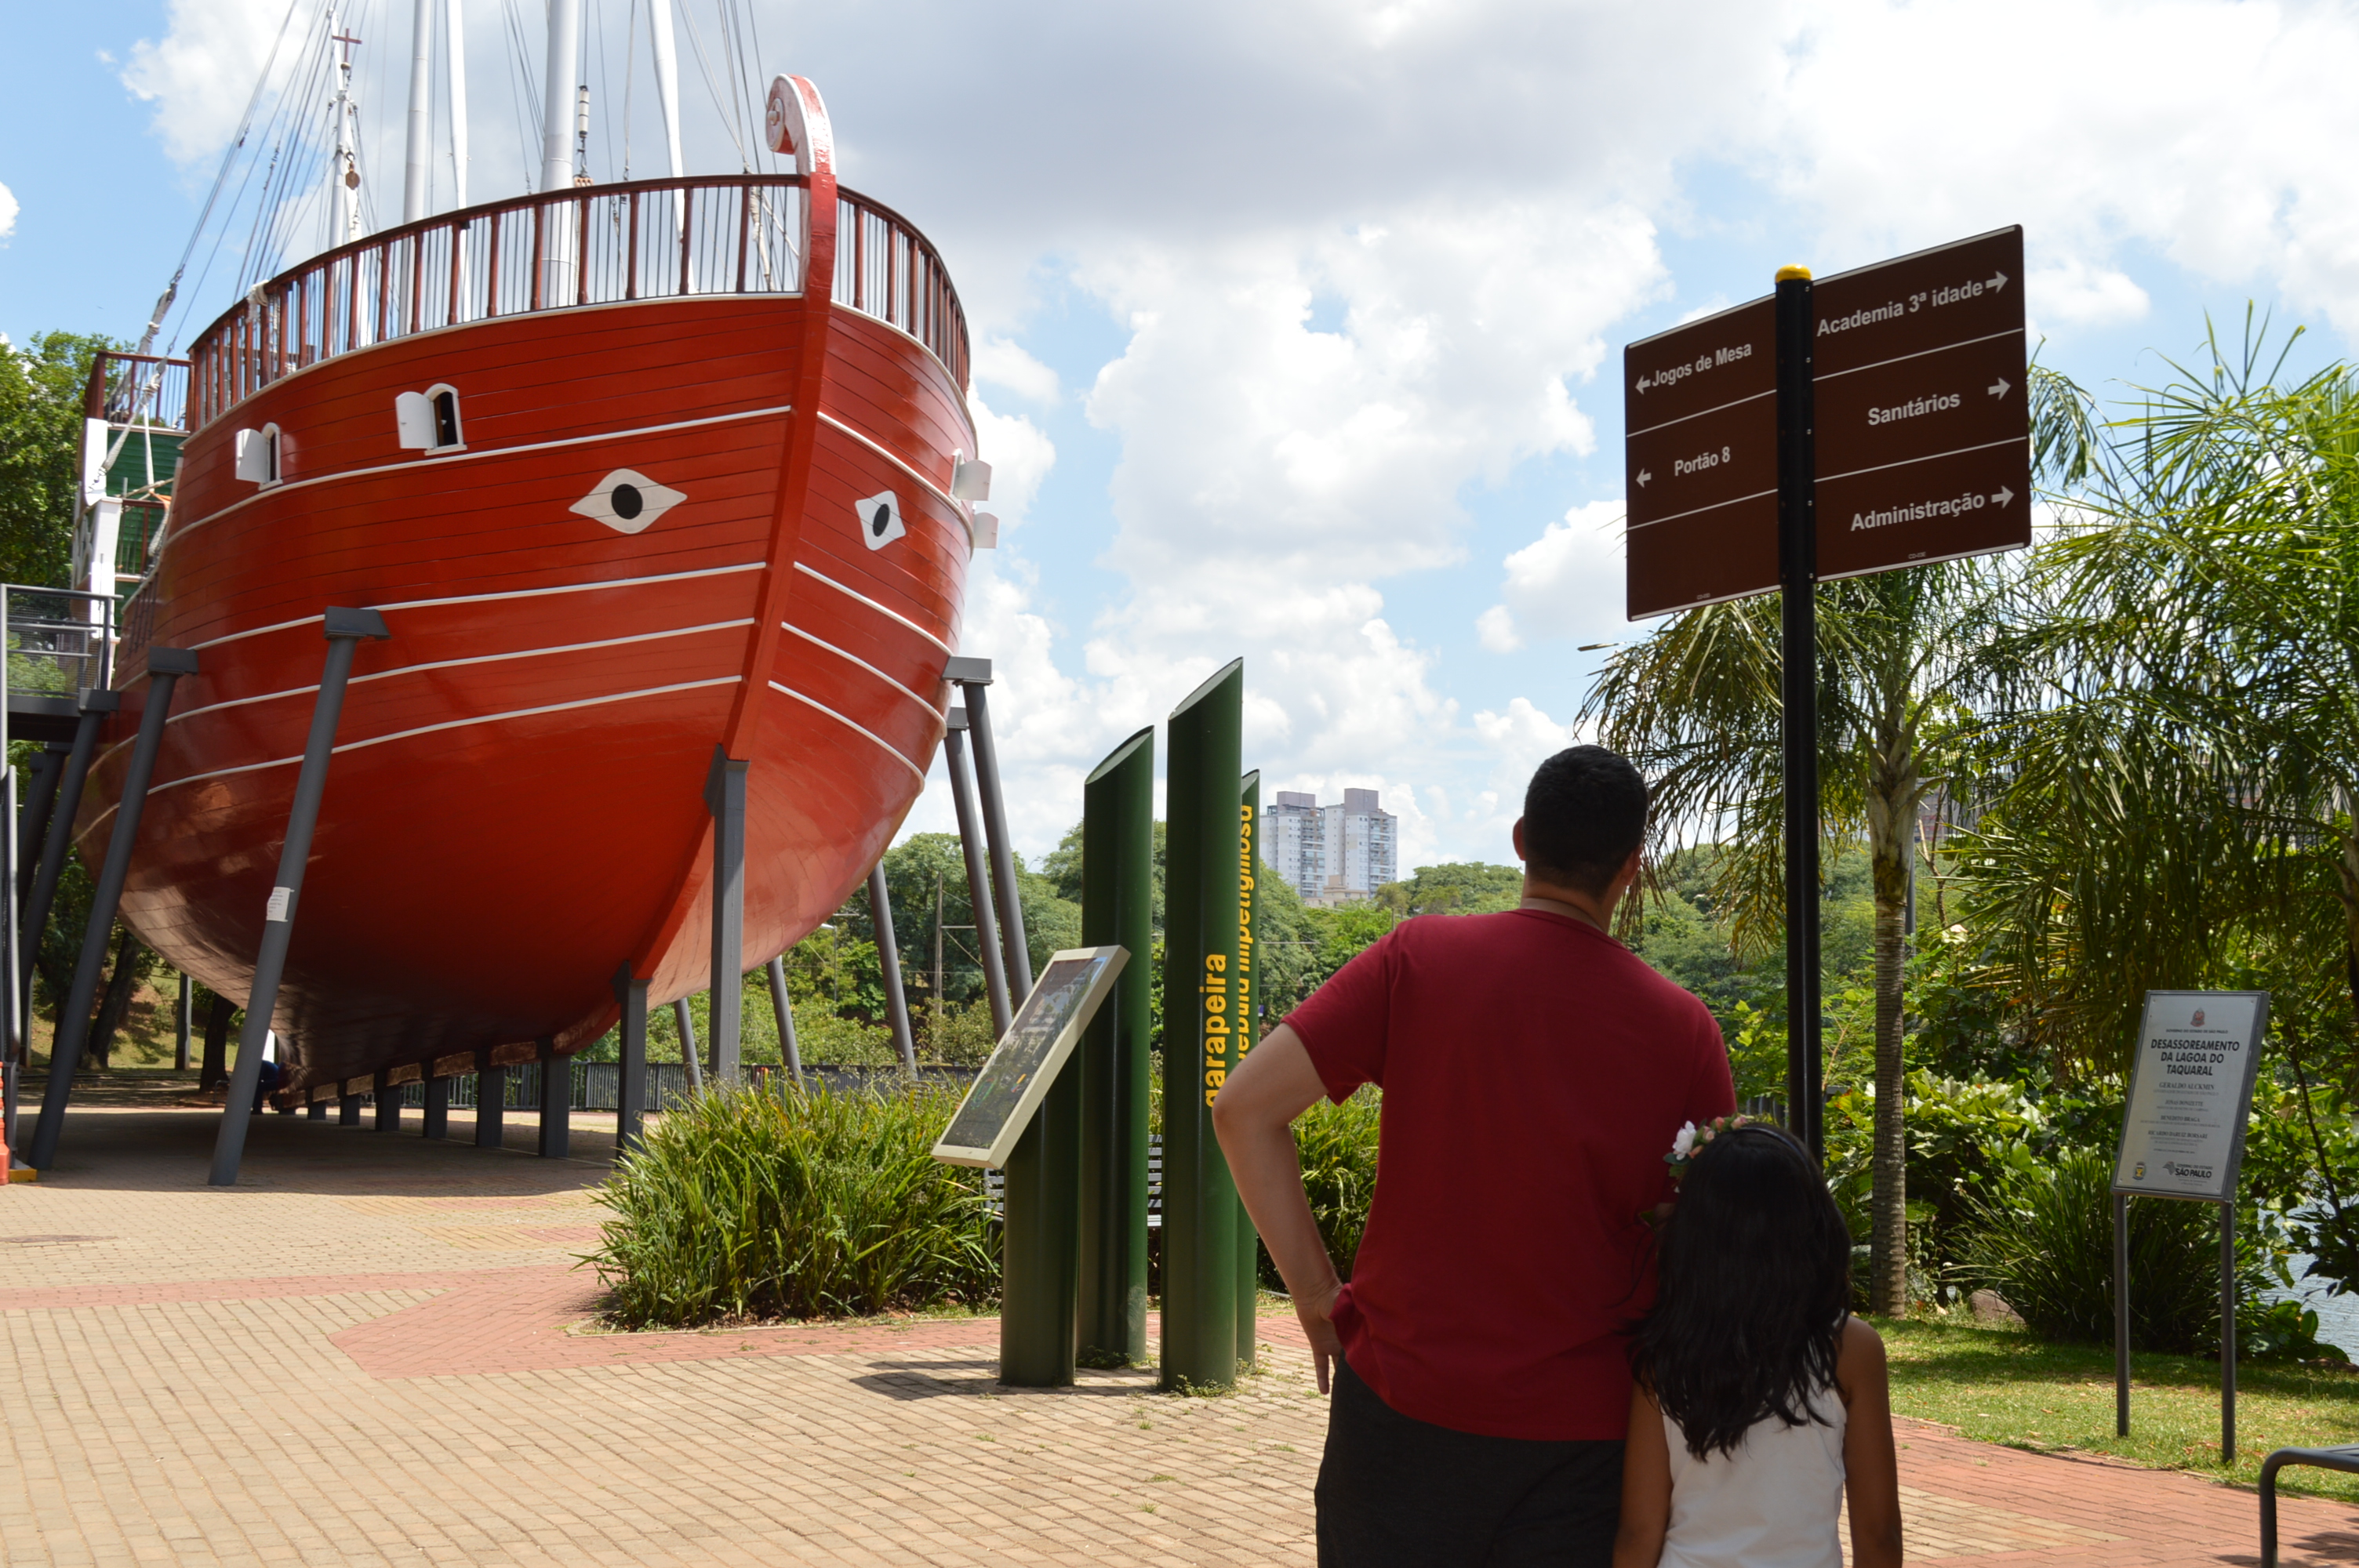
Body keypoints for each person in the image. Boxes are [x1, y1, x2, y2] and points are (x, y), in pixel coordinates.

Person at [1214, 745, 1736, 1566]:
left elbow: (1242, 1108)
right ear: (1631, 868)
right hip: (1588, 1435)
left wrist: (1318, 1298)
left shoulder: (1414, 959)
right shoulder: (1682, 1029)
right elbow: (1713, 1240)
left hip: (1398, 1407)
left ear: (1521, 838)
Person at [1612, 1123, 1902, 1568]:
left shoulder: (1664, 1353)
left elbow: (1640, 1532)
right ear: (1814, 1225)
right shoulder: (1851, 1349)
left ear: (1695, 1239)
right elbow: (1878, 1533)